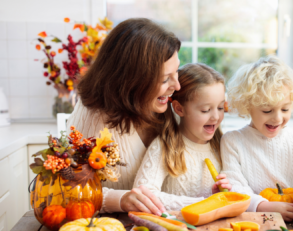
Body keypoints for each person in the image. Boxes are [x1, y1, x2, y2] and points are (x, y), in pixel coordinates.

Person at [67, 18, 181, 215]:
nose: (176, 86)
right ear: (132, 80)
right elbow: (68, 190)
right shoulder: (93, 113)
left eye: (176, 71)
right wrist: (120, 199)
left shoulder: (173, 106)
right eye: (164, 79)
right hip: (108, 229)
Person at [221, 56, 293, 221]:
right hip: (252, 220)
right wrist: (262, 206)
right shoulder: (233, 141)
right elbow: (234, 186)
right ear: (248, 106)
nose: (278, 119)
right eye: (267, 110)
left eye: (285, 109)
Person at [133, 63, 231, 210]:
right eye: (205, 110)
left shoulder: (223, 146)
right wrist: (204, 203)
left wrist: (223, 193)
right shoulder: (164, 146)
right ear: (179, 108)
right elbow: (143, 195)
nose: (216, 117)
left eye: (221, 108)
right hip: (173, 228)